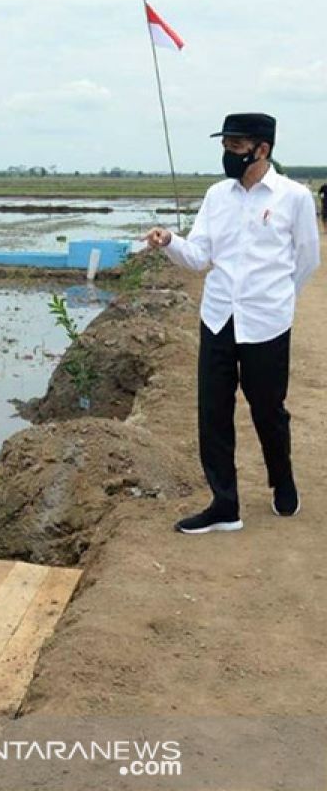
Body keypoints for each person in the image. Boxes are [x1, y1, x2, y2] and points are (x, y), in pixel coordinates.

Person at [145, 112, 320, 534]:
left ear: (262, 149)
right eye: (225, 146)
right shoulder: (216, 196)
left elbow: (307, 260)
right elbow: (201, 256)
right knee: (213, 412)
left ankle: (283, 481)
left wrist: (277, 301)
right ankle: (225, 505)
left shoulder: (293, 198)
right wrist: (170, 242)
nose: (228, 154)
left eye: (236, 146)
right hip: (219, 317)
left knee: (267, 410)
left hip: (266, 323)